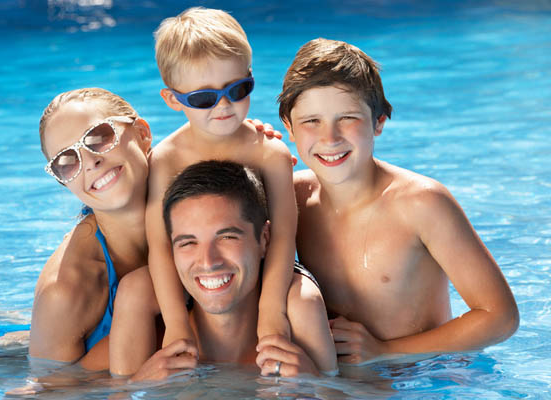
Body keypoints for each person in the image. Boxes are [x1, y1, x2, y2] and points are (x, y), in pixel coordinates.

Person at [277, 38, 519, 364]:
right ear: (288, 127)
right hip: (343, 378)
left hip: (426, 375)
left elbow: (500, 316)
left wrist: (385, 352)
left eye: (347, 118)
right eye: (311, 121)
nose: (329, 138)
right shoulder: (291, 199)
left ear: (379, 122)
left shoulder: (421, 204)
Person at [143, 7, 301, 364]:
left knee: (304, 300)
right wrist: (176, 324)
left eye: (238, 89)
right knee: (135, 294)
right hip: (200, 272)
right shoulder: (166, 159)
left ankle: (320, 383)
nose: (224, 105)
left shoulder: (269, 152)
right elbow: (158, 245)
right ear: (172, 100)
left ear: (250, 77)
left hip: (259, 271)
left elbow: (283, 239)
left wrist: (271, 311)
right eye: (203, 98)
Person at [131, 160, 337, 381]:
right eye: (188, 243)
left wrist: (315, 387)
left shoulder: (304, 341)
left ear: (264, 239)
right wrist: (137, 389)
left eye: (227, 237)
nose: (208, 262)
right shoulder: (150, 343)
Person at [30, 88, 159, 373]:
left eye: (99, 138)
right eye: (67, 162)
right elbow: (51, 389)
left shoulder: (196, 190)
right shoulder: (65, 292)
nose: (90, 162)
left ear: (142, 133)